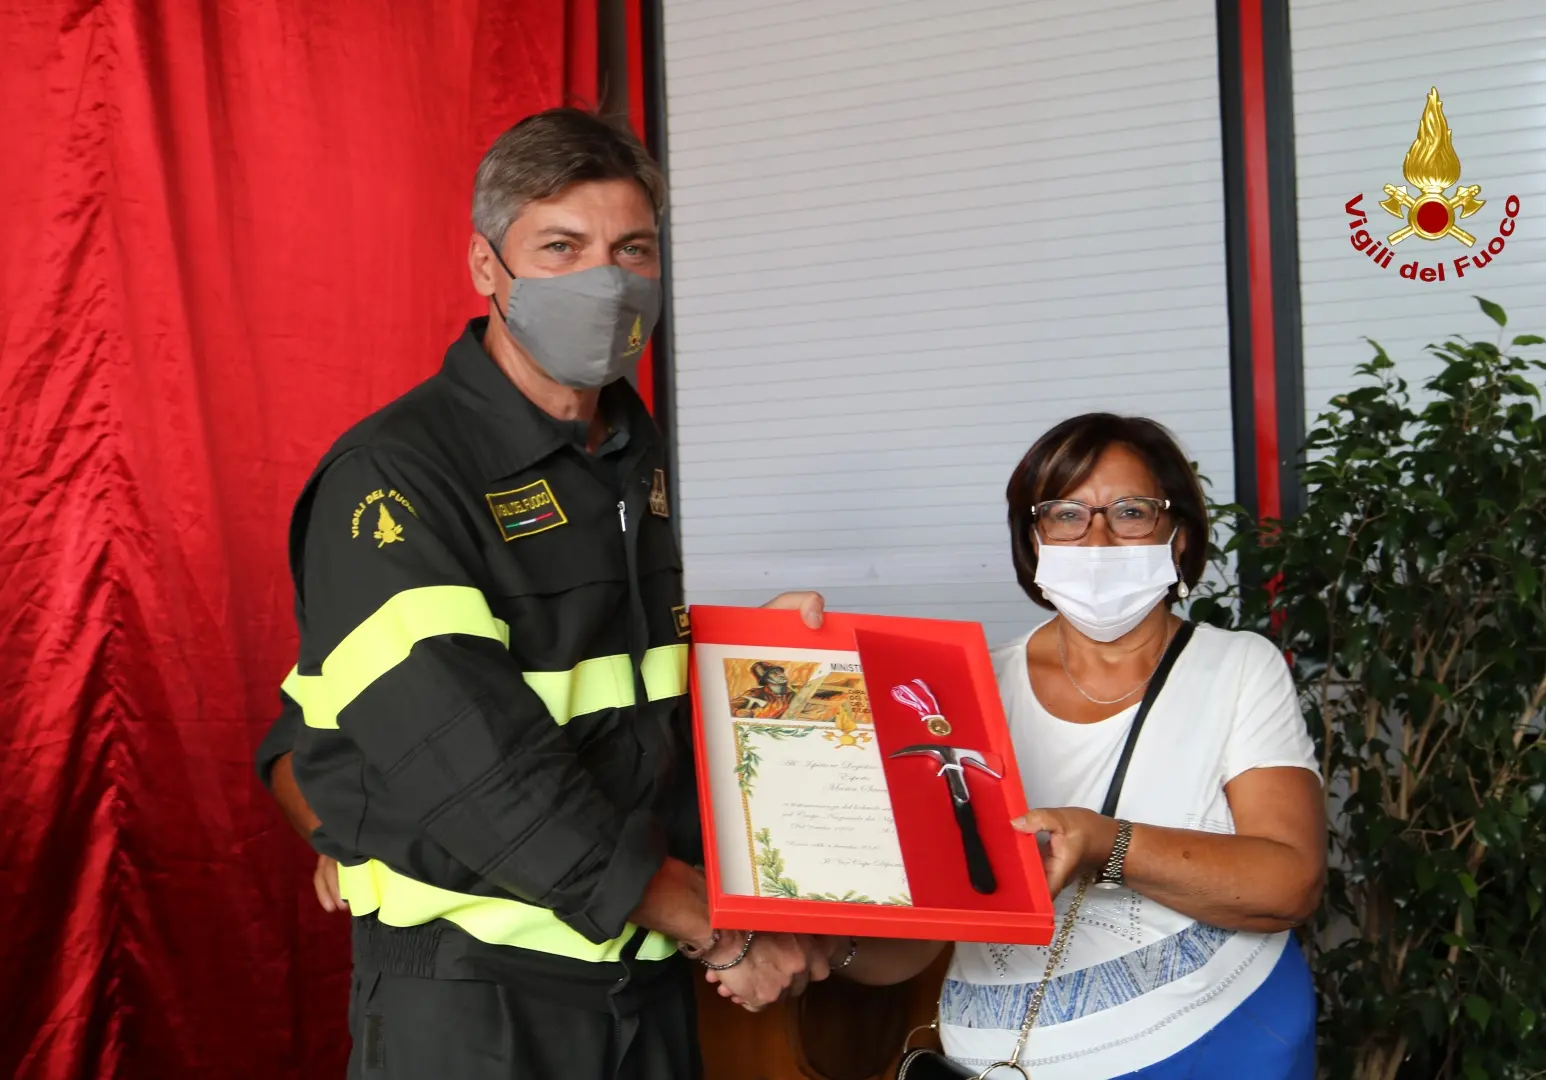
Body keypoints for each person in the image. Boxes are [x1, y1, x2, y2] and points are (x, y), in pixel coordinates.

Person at [253, 108, 840, 1080]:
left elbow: (612, 696)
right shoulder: (396, 478)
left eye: (631, 249)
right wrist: (713, 927)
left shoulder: (629, 457)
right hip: (480, 1002)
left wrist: (752, 662)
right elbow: (470, 762)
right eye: (561, 247)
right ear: (488, 266)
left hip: (639, 984)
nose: (604, 282)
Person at [824, 414, 1326, 1078]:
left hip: (1210, 1046)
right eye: (1066, 514)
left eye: (1130, 511)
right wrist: (821, 940)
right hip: (996, 1061)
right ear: (1034, 540)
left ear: (1178, 537)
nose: (1098, 538)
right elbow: (919, 946)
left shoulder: (1237, 668)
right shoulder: (962, 691)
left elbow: (1288, 883)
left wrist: (1103, 844)